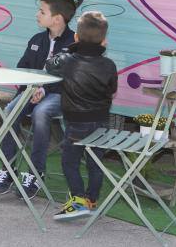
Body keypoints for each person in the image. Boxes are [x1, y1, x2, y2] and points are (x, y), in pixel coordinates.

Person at [0, 0, 76, 198]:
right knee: (10, 110)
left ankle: (36, 173)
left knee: (41, 113)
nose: (37, 14)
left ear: (56, 19)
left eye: (42, 11)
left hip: (59, 96)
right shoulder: (37, 39)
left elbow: (70, 79)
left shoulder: (74, 43)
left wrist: (44, 90)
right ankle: (9, 170)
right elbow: (23, 68)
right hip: (32, 91)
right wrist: (28, 89)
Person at [46, 11, 117, 220]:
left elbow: (51, 65)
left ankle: (78, 199)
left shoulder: (68, 60)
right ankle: (91, 199)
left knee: (70, 162)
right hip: (101, 120)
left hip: (76, 122)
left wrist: (71, 48)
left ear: (76, 37)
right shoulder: (109, 65)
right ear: (104, 41)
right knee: (96, 161)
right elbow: (112, 88)